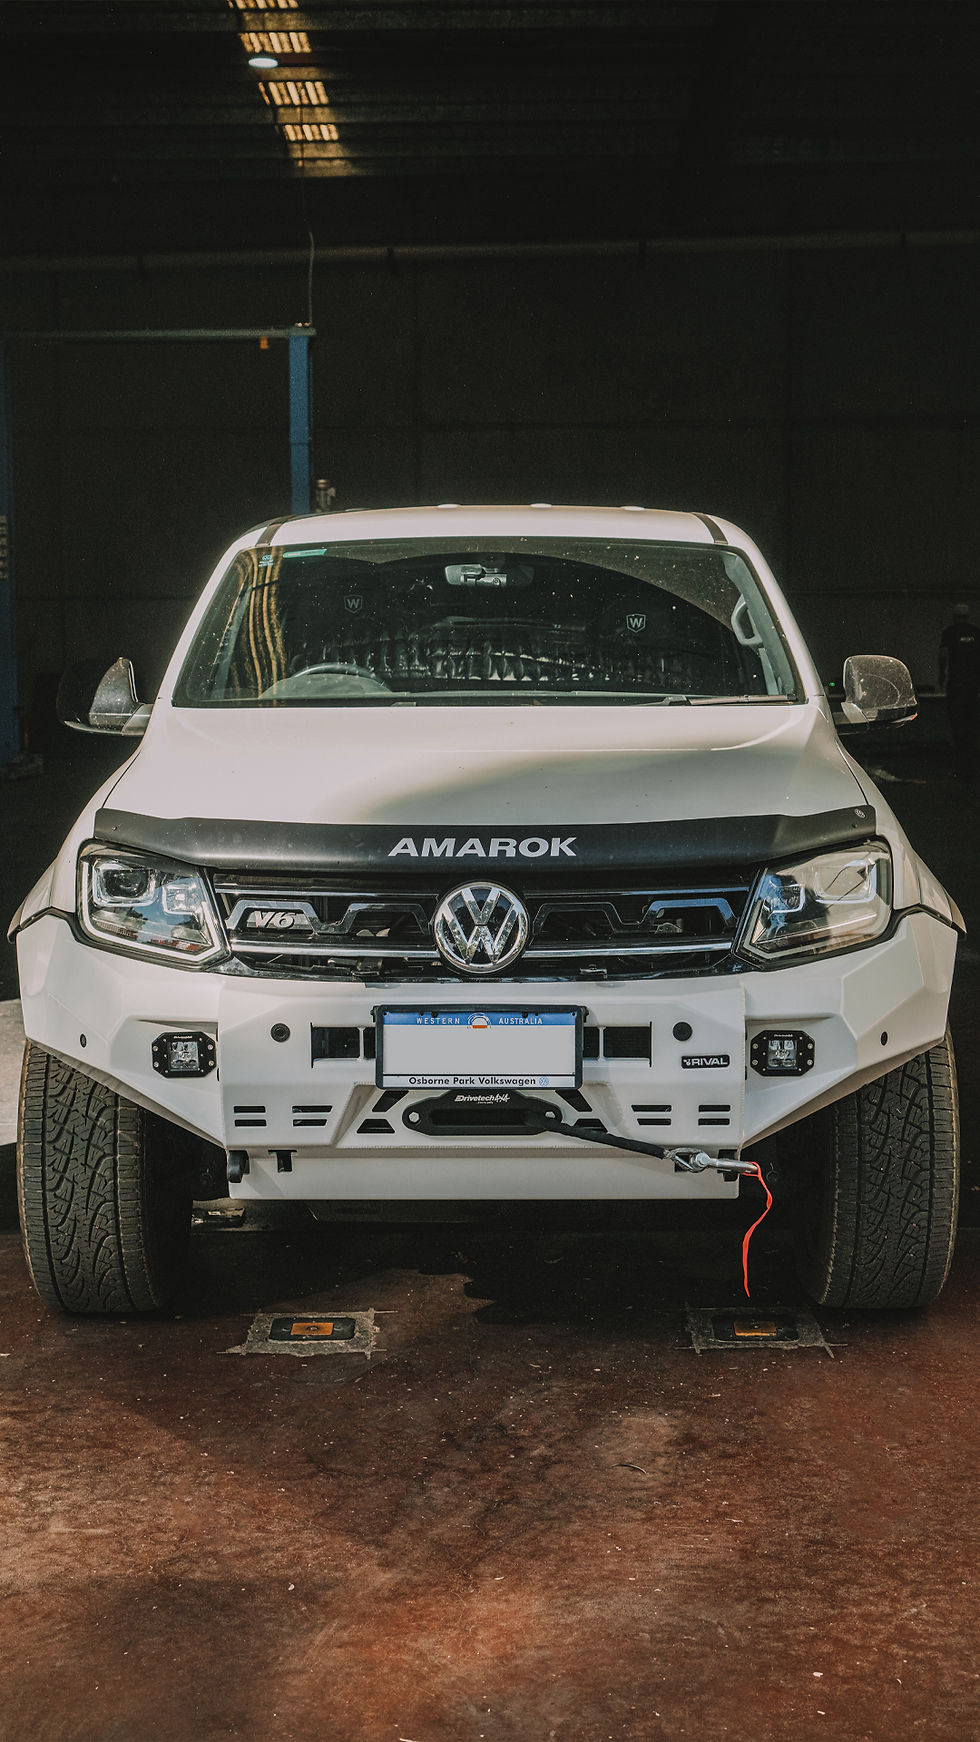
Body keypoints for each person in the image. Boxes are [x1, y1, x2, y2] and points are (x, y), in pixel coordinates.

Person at [939, 603, 979, 774]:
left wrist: (941, 675)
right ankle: (972, 757)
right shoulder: (976, 633)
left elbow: (943, 655)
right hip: (973, 686)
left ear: (954, 616)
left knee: (957, 721)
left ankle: (961, 757)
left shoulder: (950, 632)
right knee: (972, 722)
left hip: (957, 685)